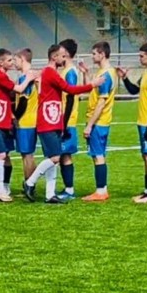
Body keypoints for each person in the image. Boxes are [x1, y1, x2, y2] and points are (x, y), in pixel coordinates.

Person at [22, 45, 105, 204]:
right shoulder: (50, 72)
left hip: (52, 120)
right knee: (55, 158)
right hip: (47, 121)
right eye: (62, 56)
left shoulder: (48, 72)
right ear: (54, 57)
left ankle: (49, 194)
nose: (64, 59)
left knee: (53, 158)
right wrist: (93, 84)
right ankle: (30, 182)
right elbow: (70, 90)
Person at [0, 49, 37, 202]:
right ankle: (1, 191)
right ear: (1, 62)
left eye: (13, 60)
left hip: (1, 120)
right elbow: (19, 90)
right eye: (9, 60)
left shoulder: (2, 76)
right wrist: (29, 78)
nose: (12, 62)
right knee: (1, 154)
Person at [116, 41, 147, 204]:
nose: (140, 58)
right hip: (142, 121)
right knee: (146, 155)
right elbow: (133, 90)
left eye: (142, 56)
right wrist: (124, 78)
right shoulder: (146, 73)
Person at [79, 41, 117, 202]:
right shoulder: (104, 72)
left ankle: (101, 191)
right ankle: (101, 190)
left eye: (94, 53)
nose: (92, 56)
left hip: (99, 122)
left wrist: (90, 125)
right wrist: (86, 74)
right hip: (100, 121)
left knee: (98, 155)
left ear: (102, 54)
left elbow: (101, 102)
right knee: (97, 155)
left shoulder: (106, 75)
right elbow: (92, 90)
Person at [57, 39, 80, 200]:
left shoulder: (70, 72)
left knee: (65, 155)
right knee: (61, 155)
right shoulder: (65, 71)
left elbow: (71, 97)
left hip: (68, 120)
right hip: (62, 119)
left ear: (65, 52)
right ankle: (67, 188)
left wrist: (64, 123)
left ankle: (70, 190)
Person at [13, 48, 38, 182]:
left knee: (27, 155)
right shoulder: (31, 75)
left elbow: (23, 101)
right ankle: (30, 182)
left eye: (15, 59)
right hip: (31, 120)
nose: (14, 63)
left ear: (22, 59)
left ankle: (29, 183)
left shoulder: (26, 77)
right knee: (28, 154)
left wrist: (15, 117)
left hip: (26, 121)